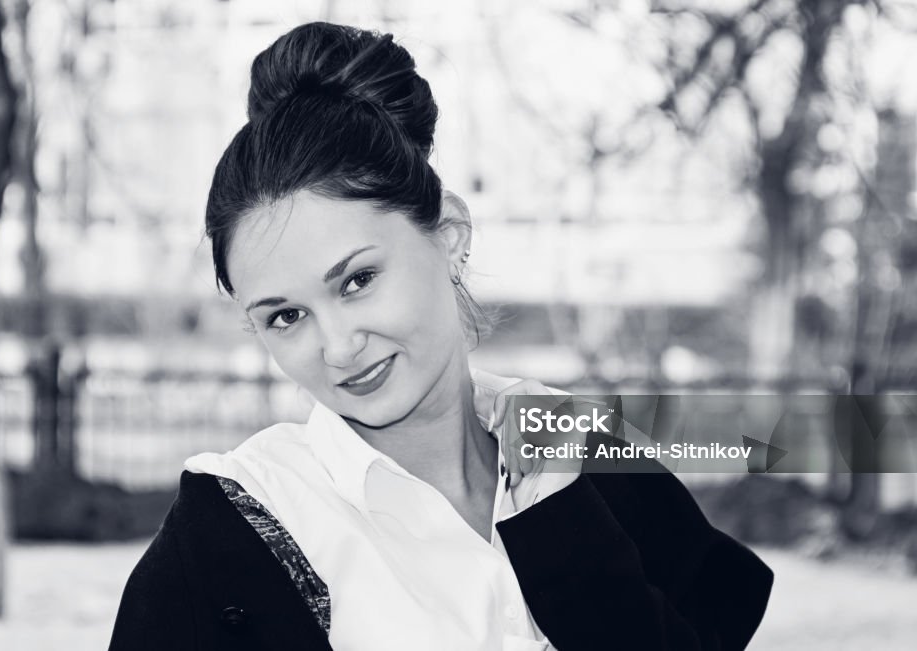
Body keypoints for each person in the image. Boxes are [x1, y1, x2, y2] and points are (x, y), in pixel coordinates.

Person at [109, 22, 773, 651]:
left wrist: (569, 534)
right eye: (286, 316)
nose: (338, 346)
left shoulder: (581, 454)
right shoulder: (235, 528)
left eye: (357, 279)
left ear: (449, 236)